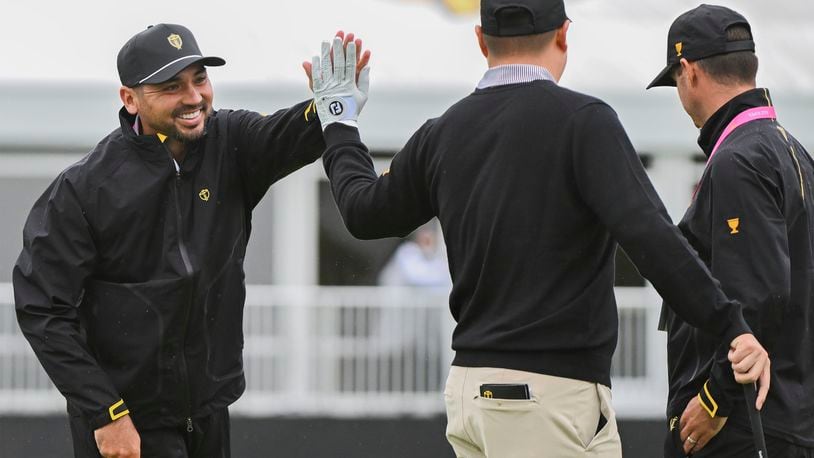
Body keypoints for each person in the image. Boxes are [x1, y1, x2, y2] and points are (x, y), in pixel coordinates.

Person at [307, 0, 771, 456]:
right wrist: (731, 326)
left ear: (480, 40)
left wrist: (339, 123)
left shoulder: (443, 131)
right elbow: (653, 242)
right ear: (564, 35)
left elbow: (362, 210)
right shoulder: (584, 122)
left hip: (469, 394)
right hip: (547, 400)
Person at [12, 24, 368, 457]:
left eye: (200, 79)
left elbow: (289, 133)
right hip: (130, 423)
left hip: (208, 412)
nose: (194, 97)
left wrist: (333, 110)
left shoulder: (231, 142)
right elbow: (42, 309)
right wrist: (105, 413)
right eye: (171, 87)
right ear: (130, 99)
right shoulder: (84, 188)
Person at [647, 5, 814, 457]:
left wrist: (712, 398)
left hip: (742, 425)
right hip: (784, 416)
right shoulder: (792, 151)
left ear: (689, 71)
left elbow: (758, 298)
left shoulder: (740, 160)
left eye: (676, 81)